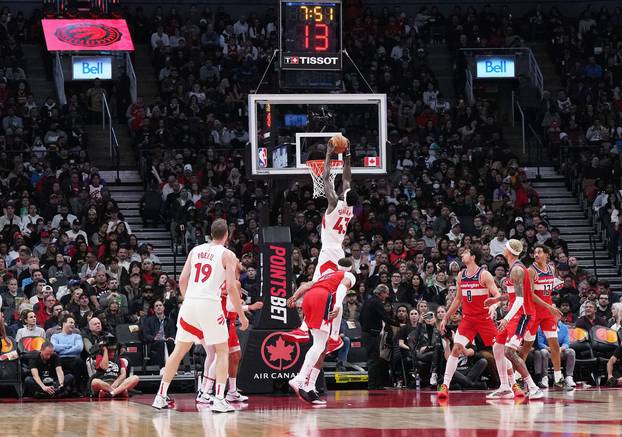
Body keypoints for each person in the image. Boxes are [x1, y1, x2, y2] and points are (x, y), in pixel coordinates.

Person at [152, 219, 248, 413]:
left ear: (211, 233)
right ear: (227, 235)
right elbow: (231, 287)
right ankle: (220, 398)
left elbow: (182, 280)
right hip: (210, 304)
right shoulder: (227, 254)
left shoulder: (195, 250)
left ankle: (160, 396)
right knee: (222, 351)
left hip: (189, 304)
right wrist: (242, 316)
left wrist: (189, 299)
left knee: (178, 352)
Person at [283, 136, 358, 356]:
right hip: (338, 252)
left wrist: (328, 153)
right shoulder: (350, 207)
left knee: (316, 288)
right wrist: (347, 155)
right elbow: (347, 178)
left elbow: (326, 177)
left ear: (343, 195)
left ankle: (305, 328)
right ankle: (333, 336)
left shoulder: (335, 203)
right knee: (335, 293)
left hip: (328, 253)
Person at [286, 258, 356, 404]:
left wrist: (294, 297)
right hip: (323, 298)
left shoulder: (327, 275)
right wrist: (337, 305)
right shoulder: (348, 276)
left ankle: (310, 387)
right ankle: (299, 378)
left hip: (309, 298)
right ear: (351, 267)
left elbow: (306, 286)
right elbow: (343, 288)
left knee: (322, 346)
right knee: (319, 344)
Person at [483, 239, 544, 399]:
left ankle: (533, 386)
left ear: (508, 251)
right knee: (497, 347)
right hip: (515, 314)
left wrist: (506, 318)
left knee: (509, 351)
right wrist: (496, 300)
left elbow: (520, 299)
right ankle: (505, 387)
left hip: (523, 315)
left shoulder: (517, 270)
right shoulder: (514, 268)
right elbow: (512, 295)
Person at [438, 247, 501, 399]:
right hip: (468, 319)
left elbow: (497, 294)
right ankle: (445, 386)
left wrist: (493, 305)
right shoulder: (461, 275)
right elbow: (458, 300)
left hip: (484, 319)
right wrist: (446, 317)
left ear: (473, 256)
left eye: (465, 252)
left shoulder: (484, 274)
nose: (462, 254)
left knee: (500, 351)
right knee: (456, 349)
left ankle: (513, 384)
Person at [521, 245, 569, 390]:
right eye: (535, 252)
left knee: (554, 345)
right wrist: (549, 306)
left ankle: (558, 378)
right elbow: (530, 294)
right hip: (534, 313)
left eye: (539, 252)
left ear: (547, 255)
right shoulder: (530, 271)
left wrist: (556, 284)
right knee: (526, 348)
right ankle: (518, 378)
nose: (536, 254)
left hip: (547, 314)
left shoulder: (550, 269)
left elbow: (548, 286)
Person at [359, 284, 400, 390]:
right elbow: (385, 317)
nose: (387, 296)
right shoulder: (376, 302)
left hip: (367, 333)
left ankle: (375, 384)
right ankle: (373, 385)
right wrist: (398, 324)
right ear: (381, 293)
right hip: (371, 334)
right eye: (386, 293)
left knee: (374, 359)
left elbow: (361, 317)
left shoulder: (368, 301)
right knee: (373, 360)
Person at [533, 321, 576, 389]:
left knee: (571, 351)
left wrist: (561, 348)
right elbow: (540, 343)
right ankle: (544, 377)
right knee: (543, 352)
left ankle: (569, 377)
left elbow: (566, 342)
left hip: (560, 350)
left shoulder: (564, 327)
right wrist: (549, 348)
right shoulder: (541, 327)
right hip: (548, 350)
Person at [50, 315, 85, 393]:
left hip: (74, 359)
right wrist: (68, 346)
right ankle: (60, 387)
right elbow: (54, 347)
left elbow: (79, 348)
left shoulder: (77, 336)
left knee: (78, 361)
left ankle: (76, 388)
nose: (73, 325)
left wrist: (62, 350)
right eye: (71, 322)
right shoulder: (55, 336)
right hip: (60, 360)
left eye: (74, 323)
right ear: (63, 323)